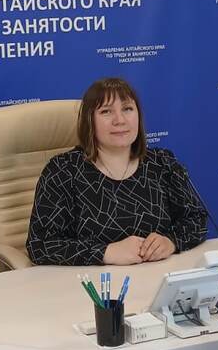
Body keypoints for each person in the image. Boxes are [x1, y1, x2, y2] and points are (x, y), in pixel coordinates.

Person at [26, 77, 208, 266]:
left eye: (127, 109)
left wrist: (171, 241)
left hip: (160, 276)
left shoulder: (162, 163)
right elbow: (40, 245)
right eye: (106, 111)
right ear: (89, 121)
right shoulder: (63, 171)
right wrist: (105, 252)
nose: (119, 120)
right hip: (94, 282)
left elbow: (196, 219)